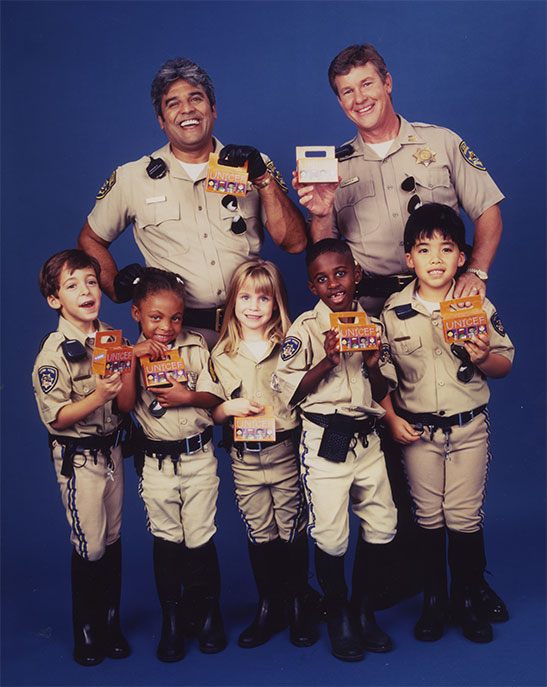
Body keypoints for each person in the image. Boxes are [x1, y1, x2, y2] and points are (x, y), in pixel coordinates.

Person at [78, 57, 307, 347]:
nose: (187, 109)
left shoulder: (253, 166)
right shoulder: (132, 178)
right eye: (173, 103)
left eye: (196, 98)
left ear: (213, 109)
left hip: (249, 331)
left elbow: (295, 243)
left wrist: (262, 179)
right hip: (177, 338)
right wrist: (115, 286)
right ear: (161, 121)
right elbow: (90, 239)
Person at [379, 203, 513, 643]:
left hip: (468, 427)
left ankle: (467, 598)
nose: (435, 259)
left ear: (461, 257)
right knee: (427, 517)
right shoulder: (393, 312)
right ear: (408, 259)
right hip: (419, 432)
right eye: (424, 249)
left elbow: (504, 364)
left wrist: (482, 357)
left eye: (447, 249)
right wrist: (393, 418)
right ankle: (434, 601)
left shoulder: (476, 304)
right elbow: (381, 376)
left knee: (463, 516)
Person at [294, 43, 504, 316]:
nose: (359, 99)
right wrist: (321, 214)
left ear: (387, 83)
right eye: (348, 91)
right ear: (340, 101)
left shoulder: (442, 142)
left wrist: (476, 272)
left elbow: (488, 211)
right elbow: (325, 254)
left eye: (367, 84)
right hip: (372, 310)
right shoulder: (332, 169)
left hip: (443, 301)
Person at [275, 239, 398, 662]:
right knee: (330, 533)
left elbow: (383, 391)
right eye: (323, 279)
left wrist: (371, 361)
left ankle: (364, 609)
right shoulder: (306, 328)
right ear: (312, 287)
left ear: (357, 273)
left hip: (367, 439)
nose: (334, 283)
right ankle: (340, 610)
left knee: (383, 524)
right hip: (325, 440)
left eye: (341, 273)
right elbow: (289, 391)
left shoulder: (374, 325)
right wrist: (327, 360)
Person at [207, 259, 318, 649]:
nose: (253, 306)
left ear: (276, 303)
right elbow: (213, 410)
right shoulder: (220, 353)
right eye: (245, 297)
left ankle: (298, 604)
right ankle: (269, 605)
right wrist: (228, 410)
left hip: (285, 449)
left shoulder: (290, 343)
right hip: (244, 456)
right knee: (260, 530)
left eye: (263, 298)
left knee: (291, 526)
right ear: (232, 302)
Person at [116, 268, 226, 661]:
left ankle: (208, 612)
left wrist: (187, 396)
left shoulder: (197, 346)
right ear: (136, 315)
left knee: (200, 537)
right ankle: (173, 619)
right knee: (167, 540)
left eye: (175, 318)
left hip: (198, 457)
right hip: (157, 464)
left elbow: (216, 398)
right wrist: (131, 358)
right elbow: (125, 405)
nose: (166, 326)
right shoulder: (128, 352)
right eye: (156, 318)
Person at [31, 249, 130, 666]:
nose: (86, 291)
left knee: (112, 536)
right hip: (80, 458)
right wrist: (98, 395)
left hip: (112, 449)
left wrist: (124, 379)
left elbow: (124, 403)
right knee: (89, 545)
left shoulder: (112, 336)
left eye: (91, 281)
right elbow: (57, 418)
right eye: (72, 286)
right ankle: (85, 629)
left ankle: (110, 622)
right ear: (55, 300)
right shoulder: (54, 354)